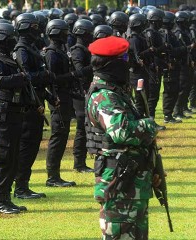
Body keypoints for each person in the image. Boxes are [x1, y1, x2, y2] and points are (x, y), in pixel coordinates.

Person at [86, 36, 160, 240]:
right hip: (119, 183)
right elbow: (122, 132)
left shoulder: (116, 91)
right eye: (124, 58)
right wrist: (149, 125)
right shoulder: (104, 96)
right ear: (112, 63)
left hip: (131, 180)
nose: (127, 63)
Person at [0, 23, 29, 214]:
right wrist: (21, 77)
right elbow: (0, 81)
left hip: (13, 114)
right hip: (3, 115)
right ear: (2, 39)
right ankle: (0, 201)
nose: (13, 41)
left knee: (12, 159)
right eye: (10, 38)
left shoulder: (7, 58)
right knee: (2, 159)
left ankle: (7, 199)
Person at [13, 13, 52, 199]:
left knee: (33, 145)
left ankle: (23, 185)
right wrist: (44, 75)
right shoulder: (21, 49)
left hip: (37, 99)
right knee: (27, 146)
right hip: (29, 104)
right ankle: (21, 187)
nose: (38, 30)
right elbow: (27, 77)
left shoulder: (30, 47)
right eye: (34, 27)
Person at [43, 19, 77, 187]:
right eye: (64, 32)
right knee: (58, 135)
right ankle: (52, 176)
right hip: (57, 99)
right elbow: (52, 79)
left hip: (65, 96)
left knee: (62, 135)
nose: (66, 35)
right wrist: (73, 75)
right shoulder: (51, 53)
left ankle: (55, 174)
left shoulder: (60, 50)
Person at [70, 19, 95, 173]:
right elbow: (79, 71)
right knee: (82, 127)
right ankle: (79, 163)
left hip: (86, 90)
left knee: (87, 127)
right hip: (79, 93)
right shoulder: (77, 50)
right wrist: (96, 65)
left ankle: (82, 161)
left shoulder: (85, 48)